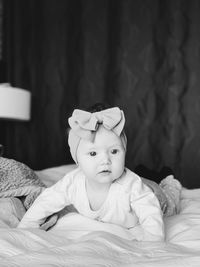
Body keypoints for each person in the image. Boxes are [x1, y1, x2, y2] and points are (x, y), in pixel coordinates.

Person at [18, 103, 165, 241]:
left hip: (156, 195)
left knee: (165, 195)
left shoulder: (132, 186)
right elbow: (45, 201)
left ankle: (166, 178)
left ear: (124, 152)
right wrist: (25, 228)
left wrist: (153, 243)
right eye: (93, 154)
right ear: (78, 161)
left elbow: (151, 214)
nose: (105, 160)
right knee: (145, 175)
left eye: (114, 151)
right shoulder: (73, 182)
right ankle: (147, 173)